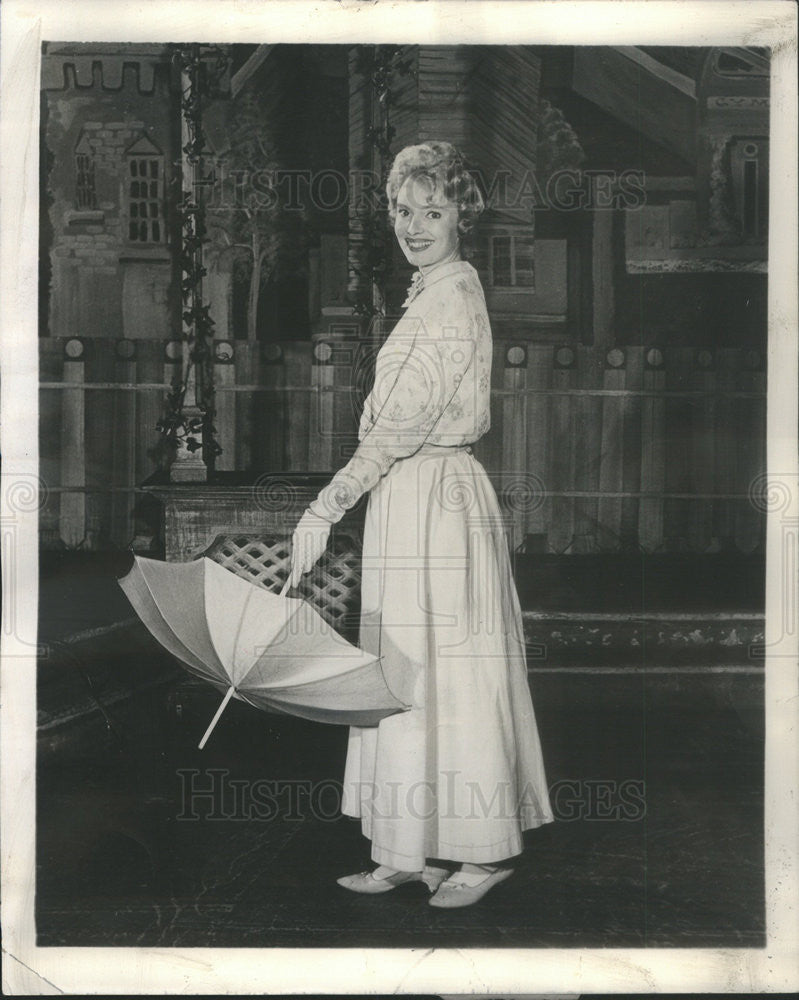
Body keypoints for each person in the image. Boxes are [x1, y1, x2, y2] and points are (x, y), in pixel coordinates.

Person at [289, 141, 553, 908]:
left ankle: (481, 850)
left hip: (435, 497)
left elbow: (399, 424)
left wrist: (325, 505)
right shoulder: (430, 290)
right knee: (405, 671)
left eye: (431, 211)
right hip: (411, 499)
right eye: (404, 211)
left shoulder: (450, 297)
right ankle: (406, 847)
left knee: (456, 676)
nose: (414, 225)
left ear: (460, 215)